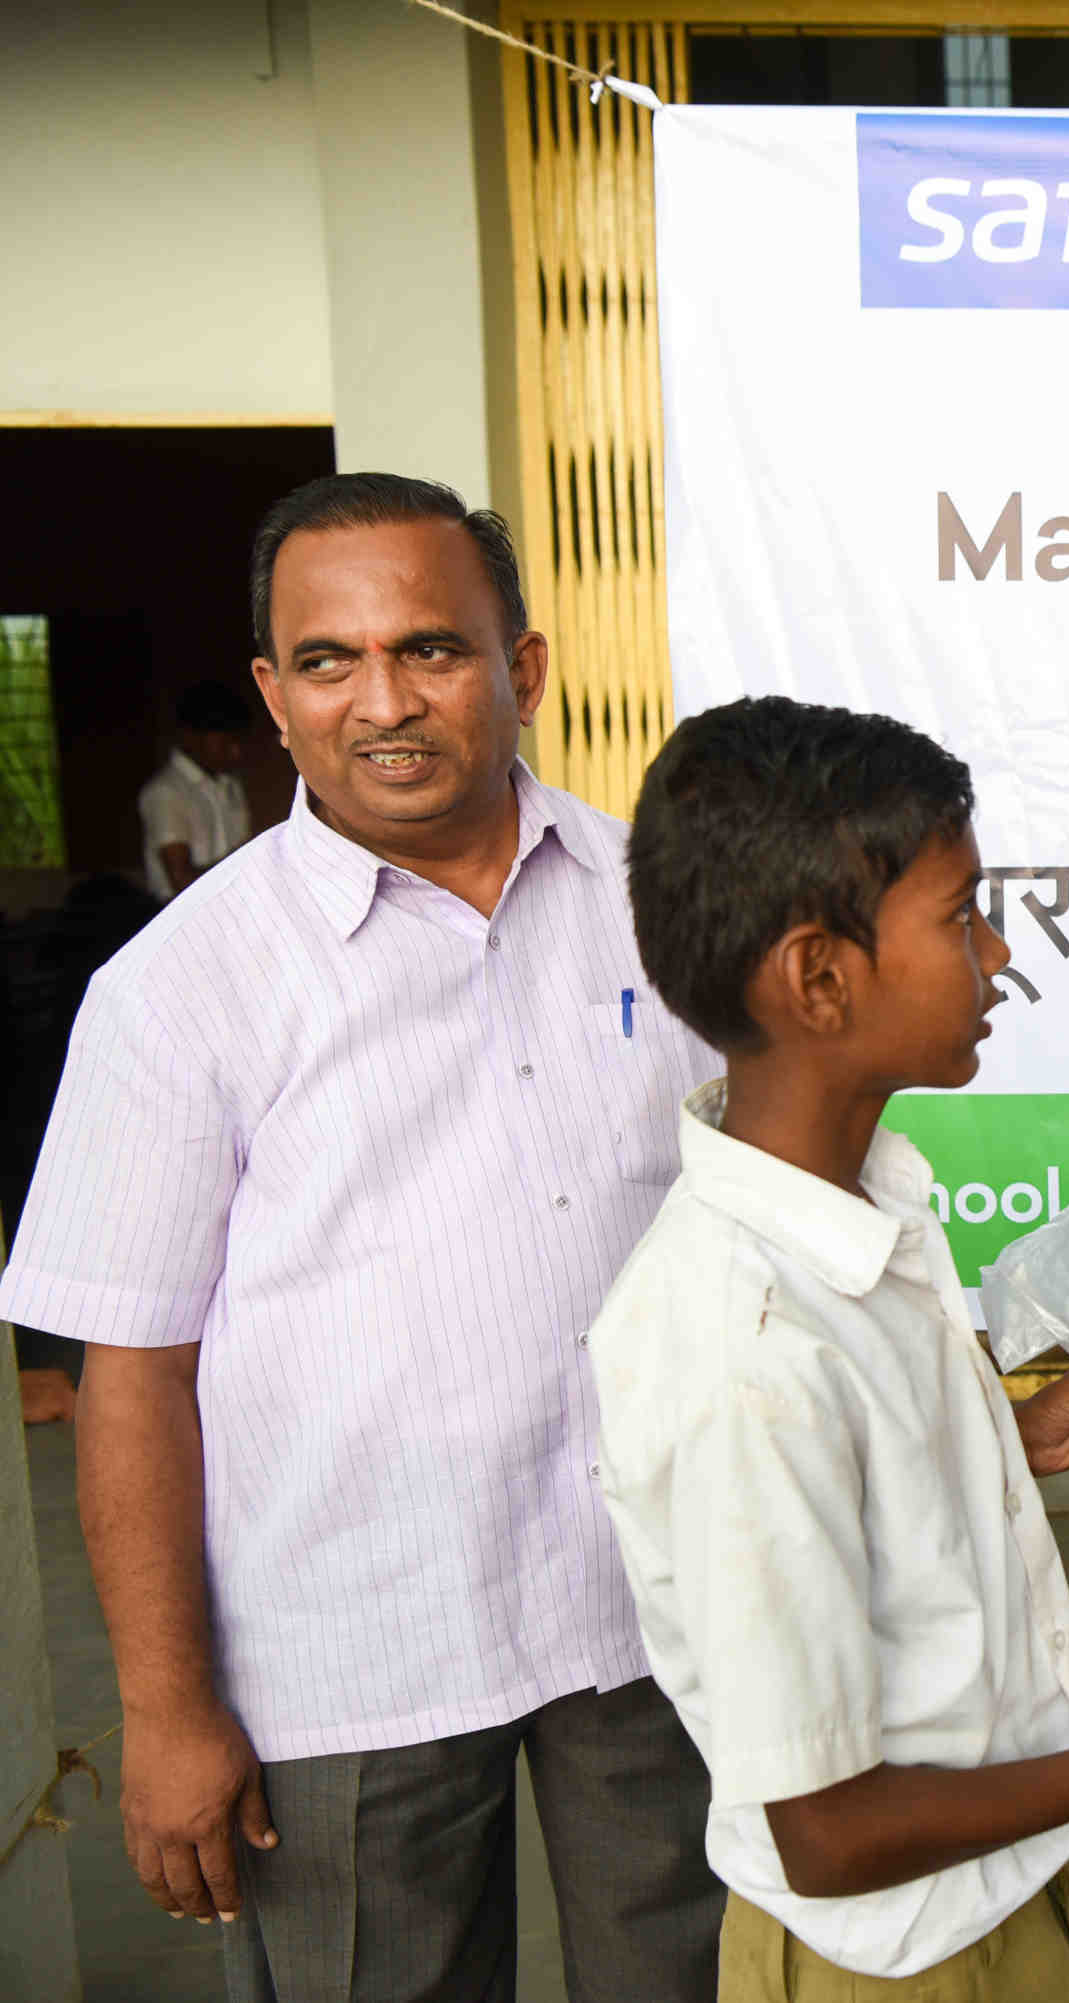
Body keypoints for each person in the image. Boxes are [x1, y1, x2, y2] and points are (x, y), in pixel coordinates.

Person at [0, 473, 729, 2001]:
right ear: (274, 697)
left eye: (431, 649)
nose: (383, 702)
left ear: (524, 667)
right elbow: (134, 1375)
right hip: (348, 1648)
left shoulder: (665, 907)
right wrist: (166, 1706)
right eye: (328, 660)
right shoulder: (181, 987)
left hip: (662, 1609)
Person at [594, 694, 1069, 2000]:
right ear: (820, 977)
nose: (998, 954)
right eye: (962, 917)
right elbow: (828, 1830)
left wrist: (996, 1417)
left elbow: (856, 1460)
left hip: (999, 1895)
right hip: (894, 1960)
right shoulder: (744, 1345)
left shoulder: (853, 1206)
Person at [137, 679, 257, 899]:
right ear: (190, 737)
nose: (236, 752)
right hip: (179, 911)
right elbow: (180, 879)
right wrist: (242, 869)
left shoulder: (230, 785)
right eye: (226, 743)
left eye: (238, 742)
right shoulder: (166, 792)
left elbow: (244, 852)